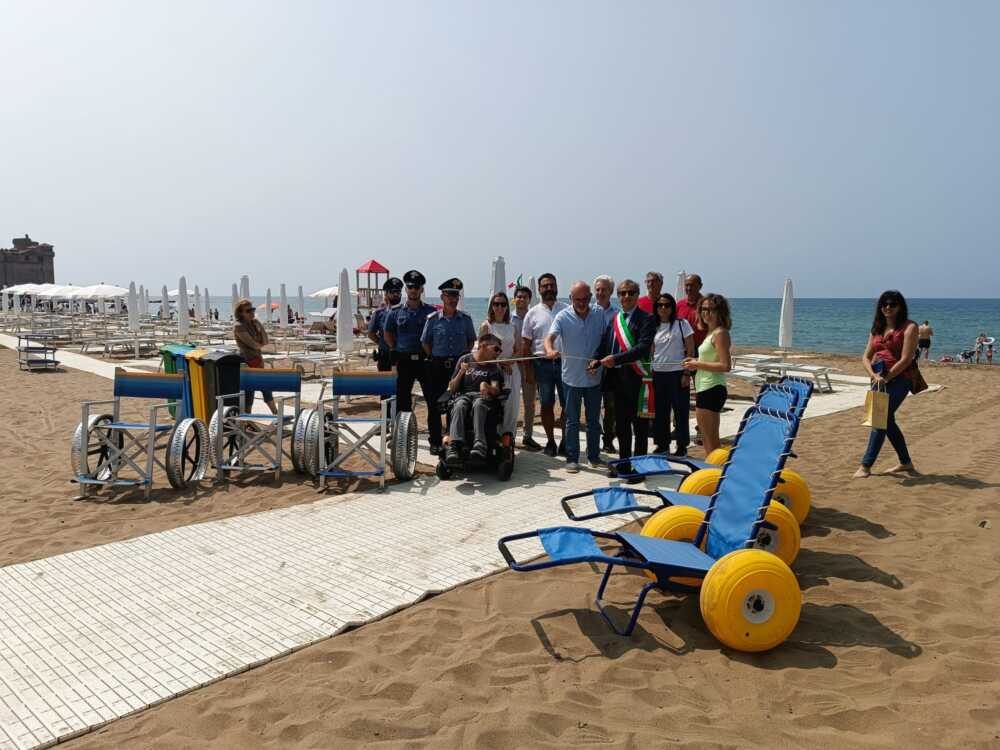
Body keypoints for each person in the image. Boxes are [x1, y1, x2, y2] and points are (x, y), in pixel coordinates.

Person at [590, 279, 656, 478]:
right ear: (617, 296)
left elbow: (642, 348)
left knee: (640, 427)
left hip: (637, 380)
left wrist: (615, 359)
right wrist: (595, 360)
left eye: (630, 293)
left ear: (637, 295)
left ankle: (639, 469)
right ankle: (624, 464)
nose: (626, 296)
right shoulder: (615, 319)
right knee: (622, 426)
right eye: (622, 293)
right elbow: (604, 344)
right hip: (616, 380)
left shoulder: (647, 319)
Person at [854, 290, 919, 478]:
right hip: (878, 379)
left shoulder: (909, 327)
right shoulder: (877, 328)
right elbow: (865, 357)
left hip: (901, 378)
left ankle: (865, 466)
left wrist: (887, 377)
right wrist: (874, 375)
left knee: (880, 419)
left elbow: (906, 359)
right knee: (886, 420)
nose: (888, 307)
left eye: (892, 304)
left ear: (900, 306)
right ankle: (905, 462)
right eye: (884, 304)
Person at [546, 281, 606, 472]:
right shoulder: (562, 316)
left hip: (594, 377)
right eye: (577, 299)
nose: (581, 303)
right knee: (572, 420)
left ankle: (594, 456)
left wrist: (601, 360)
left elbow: (606, 339)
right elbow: (549, 338)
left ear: (590, 297)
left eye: (585, 299)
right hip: (571, 378)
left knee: (593, 420)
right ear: (570, 298)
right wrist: (549, 350)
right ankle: (572, 458)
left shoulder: (599, 314)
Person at [422, 278, 477, 455]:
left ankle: (454, 440)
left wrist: (461, 360)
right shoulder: (432, 319)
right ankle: (436, 441)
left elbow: (471, 341)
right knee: (435, 405)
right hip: (437, 366)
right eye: (449, 295)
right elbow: (425, 343)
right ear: (442, 297)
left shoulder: (465, 319)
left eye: (456, 295)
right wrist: (436, 356)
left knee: (458, 403)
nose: (453, 299)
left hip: (459, 368)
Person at [384, 270, 438, 446]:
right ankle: (402, 438)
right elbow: (388, 333)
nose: (413, 290)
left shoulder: (431, 312)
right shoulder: (395, 312)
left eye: (417, 287)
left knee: (432, 401)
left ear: (422, 289)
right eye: (410, 287)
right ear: (406, 289)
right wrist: (394, 348)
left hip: (425, 362)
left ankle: (435, 439)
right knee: (402, 402)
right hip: (404, 362)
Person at [521, 273, 569, 457]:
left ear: (556, 287)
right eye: (545, 286)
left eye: (552, 285)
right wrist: (528, 371)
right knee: (547, 405)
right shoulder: (532, 313)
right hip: (542, 365)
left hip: (564, 364)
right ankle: (550, 441)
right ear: (539, 289)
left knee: (567, 405)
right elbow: (526, 345)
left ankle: (565, 440)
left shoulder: (567, 310)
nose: (549, 288)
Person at [682, 293, 732, 456]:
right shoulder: (710, 333)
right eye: (703, 309)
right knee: (708, 441)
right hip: (705, 387)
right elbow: (711, 359)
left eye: (711, 309)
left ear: (720, 311)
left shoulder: (720, 333)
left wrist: (697, 363)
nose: (706, 313)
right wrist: (695, 360)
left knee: (711, 442)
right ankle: (715, 471)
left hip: (712, 388)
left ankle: (716, 473)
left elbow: (725, 366)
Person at [444, 333, 506, 464]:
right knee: (459, 404)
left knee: (479, 403)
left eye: (500, 350)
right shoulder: (465, 359)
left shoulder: (493, 366)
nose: (499, 353)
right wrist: (461, 372)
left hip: (483, 397)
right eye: (496, 349)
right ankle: (454, 445)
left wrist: (487, 386)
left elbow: (496, 390)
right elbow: (452, 388)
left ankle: (480, 444)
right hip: (464, 395)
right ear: (483, 346)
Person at [650, 293, 695, 455]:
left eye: (667, 305)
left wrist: (687, 373)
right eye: (660, 305)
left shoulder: (682, 324)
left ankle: (682, 446)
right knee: (661, 412)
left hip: (677, 374)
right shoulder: (653, 326)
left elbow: (690, 349)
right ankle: (662, 444)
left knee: (680, 411)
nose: (663, 308)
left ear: (672, 307)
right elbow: (651, 351)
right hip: (658, 374)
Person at [480, 291, 522, 440]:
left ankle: (508, 437)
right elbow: (481, 352)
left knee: (511, 406)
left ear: (507, 307)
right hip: (493, 370)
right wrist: (500, 362)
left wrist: (510, 361)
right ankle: (493, 437)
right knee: (494, 404)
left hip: (512, 370)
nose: (499, 307)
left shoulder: (513, 326)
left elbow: (519, 349)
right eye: (496, 304)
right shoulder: (486, 326)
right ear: (491, 306)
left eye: (503, 304)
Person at [232, 298, 277, 414]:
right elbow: (253, 345)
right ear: (240, 313)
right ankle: (249, 418)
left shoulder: (254, 324)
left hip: (258, 361)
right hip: (247, 362)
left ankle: (275, 414)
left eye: (252, 309)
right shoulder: (239, 326)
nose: (252, 312)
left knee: (264, 387)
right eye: (248, 311)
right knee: (250, 391)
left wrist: (260, 325)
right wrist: (259, 343)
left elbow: (265, 341)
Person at [511, 286, 541, 451]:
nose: (521, 299)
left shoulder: (534, 317)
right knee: (511, 401)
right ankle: (510, 433)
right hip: (513, 366)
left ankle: (528, 435)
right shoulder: (508, 319)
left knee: (530, 403)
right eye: (519, 297)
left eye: (524, 297)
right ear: (514, 299)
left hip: (530, 365)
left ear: (529, 299)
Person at [593, 274, 617, 452]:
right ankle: (593, 441)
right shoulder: (588, 311)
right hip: (591, 365)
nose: (601, 293)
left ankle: (608, 440)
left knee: (610, 406)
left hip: (610, 367)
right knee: (592, 406)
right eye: (598, 290)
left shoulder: (617, 315)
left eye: (604, 290)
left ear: (611, 292)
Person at [368, 277, 403, 372]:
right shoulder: (379, 313)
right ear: (386, 294)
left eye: (398, 292)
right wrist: (382, 343)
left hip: (403, 356)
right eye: (392, 292)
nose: (396, 294)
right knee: (385, 385)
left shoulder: (406, 312)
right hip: (385, 356)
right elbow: (371, 333)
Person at [676, 274, 707, 347]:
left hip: (701, 348)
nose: (689, 288)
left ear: (700, 286)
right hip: (682, 348)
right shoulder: (679, 305)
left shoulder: (707, 305)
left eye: (692, 285)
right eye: (686, 285)